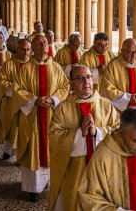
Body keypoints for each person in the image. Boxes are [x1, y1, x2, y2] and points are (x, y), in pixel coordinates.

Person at [48, 65, 120, 211]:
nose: (86, 82)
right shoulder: (62, 108)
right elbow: (54, 136)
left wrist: (97, 133)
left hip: (102, 167)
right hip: (74, 170)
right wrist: (79, 133)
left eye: (88, 77)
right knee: (72, 201)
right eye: (80, 78)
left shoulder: (106, 105)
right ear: (72, 83)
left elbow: (119, 131)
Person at [12, 35, 69, 202]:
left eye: (45, 42)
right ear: (33, 48)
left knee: (54, 148)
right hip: (32, 117)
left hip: (52, 115)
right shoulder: (24, 68)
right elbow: (16, 89)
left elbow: (65, 87)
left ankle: (55, 183)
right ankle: (33, 188)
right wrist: (34, 100)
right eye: (39, 42)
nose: (43, 44)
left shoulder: (56, 67)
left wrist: (54, 99)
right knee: (34, 150)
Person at [99, 38, 136, 113]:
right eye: (130, 52)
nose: (134, 56)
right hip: (120, 111)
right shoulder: (113, 65)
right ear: (122, 51)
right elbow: (107, 89)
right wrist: (128, 98)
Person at [0, 39, 31, 159]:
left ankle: (21, 154)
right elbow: (1, 81)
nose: (25, 52)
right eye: (22, 49)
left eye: (27, 49)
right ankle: (8, 150)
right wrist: (16, 89)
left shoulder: (32, 65)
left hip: (27, 103)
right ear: (17, 49)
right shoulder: (8, 64)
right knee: (11, 126)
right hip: (11, 101)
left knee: (23, 128)